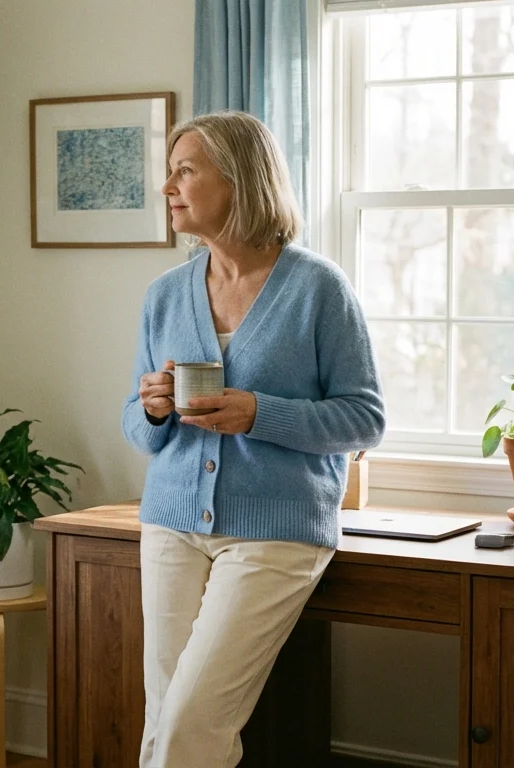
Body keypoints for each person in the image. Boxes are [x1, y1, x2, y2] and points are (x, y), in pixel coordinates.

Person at [120, 111, 386, 768]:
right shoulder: (165, 294)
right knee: (164, 719)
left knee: (189, 724)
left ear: (237, 178)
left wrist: (258, 414)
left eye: (185, 170)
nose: (168, 186)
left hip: (276, 530)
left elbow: (364, 418)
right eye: (170, 171)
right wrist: (153, 407)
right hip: (172, 524)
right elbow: (134, 423)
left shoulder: (318, 288)